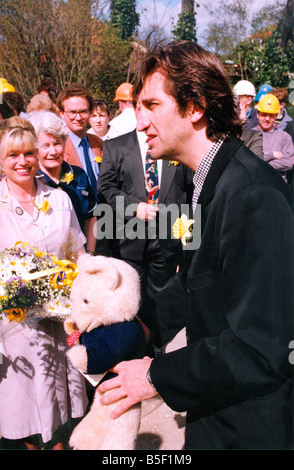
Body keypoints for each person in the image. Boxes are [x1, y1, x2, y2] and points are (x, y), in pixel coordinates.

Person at [98, 41, 294, 450]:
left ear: (196, 106)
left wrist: (154, 376)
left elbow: (256, 347)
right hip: (214, 410)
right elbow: (192, 283)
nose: (140, 122)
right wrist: (127, 324)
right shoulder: (206, 182)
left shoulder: (253, 195)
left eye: (152, 105)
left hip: (247, 429)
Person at [0, 117, 88, 449]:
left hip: (59, 324)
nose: (22, 162)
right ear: (1, 160)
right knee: (24, 415)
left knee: (60, 411)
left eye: (27, 153)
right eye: (12, 155)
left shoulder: (61, 199)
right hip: (15, 330)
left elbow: (76, 255)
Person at [97, 127, 193, 336]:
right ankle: (134, 346)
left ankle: (158, 347)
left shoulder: (174, 143)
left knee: (162, 299)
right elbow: (105, 188)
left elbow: (188, 192)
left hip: (167, 240)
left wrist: (189, 241)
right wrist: (134, 207)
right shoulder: (116, 146)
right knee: (130, 301)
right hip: (127, 241)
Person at [28, 110, 97, 255]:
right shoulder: (30, 179)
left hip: (79, 256)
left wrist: (89, 253)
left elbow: (91, 216)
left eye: (57, 144)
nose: (53, 151)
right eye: (45, 145)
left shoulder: (78, 175)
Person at [56, 83, 103, 202]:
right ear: (61, 113)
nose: (78, 118)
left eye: (82, 111)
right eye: (72, 112)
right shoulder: (57, 148)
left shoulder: (98, 143)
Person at [254, 93, 294, 181]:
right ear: (258, 114)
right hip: (255, 184)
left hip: (278, 187)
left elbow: (288, 162)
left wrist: (264, 165)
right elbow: (248, 158)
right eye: (264, 114)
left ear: (276, 116)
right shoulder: (250, 135)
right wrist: (273, 154)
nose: (267, 119)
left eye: (271, 115)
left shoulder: (284, 137)